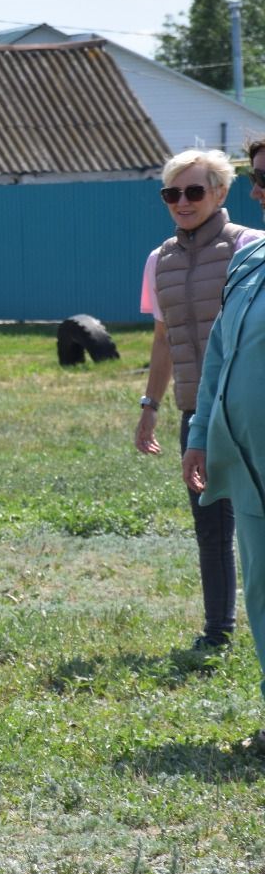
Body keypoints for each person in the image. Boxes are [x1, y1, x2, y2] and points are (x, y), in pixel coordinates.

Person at [136, 148, 261, 652]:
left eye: (194, 191)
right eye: (172, 193)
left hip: (251, 409)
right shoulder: (159, 260)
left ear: (221, 193)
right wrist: (150, 407)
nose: (182, 202)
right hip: (198, 411)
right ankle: (219, 630)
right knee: (211, 524)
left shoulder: (251, 247)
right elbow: (164, 338)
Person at [184, 138, 265, 717]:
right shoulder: (250, 259)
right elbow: (219, 355)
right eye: (258, 177)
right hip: (247, 466)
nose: (258, 190)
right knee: (262, 597)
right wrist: (198, 436)